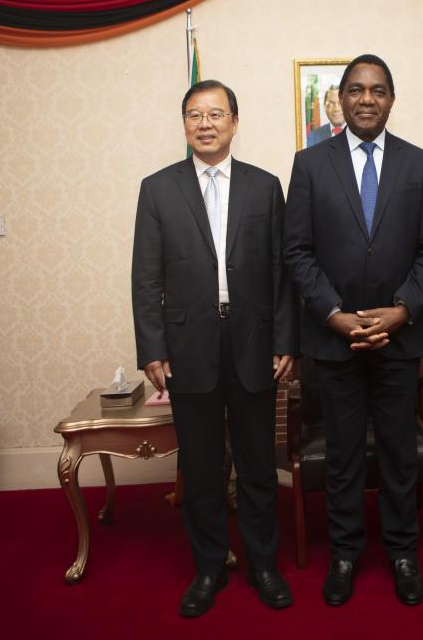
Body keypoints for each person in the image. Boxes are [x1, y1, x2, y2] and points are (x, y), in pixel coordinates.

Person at [131, 79, 298, 618]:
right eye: (194, 115)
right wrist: (152, 348)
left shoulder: (264, 187)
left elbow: (281, 273)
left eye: (216, 114)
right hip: (188, 348)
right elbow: (145, 277)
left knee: (257, 465)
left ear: (234, 122)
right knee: (201, 469)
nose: (205, 124)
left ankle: (263, 565)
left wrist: (284, 339)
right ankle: (208, 568)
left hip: (253, 343)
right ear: (184, 124)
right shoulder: (158, 189)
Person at [283, 54, 423, 607]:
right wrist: (333, 313)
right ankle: (345, 553)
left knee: (399, 452)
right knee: (343, 454)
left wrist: (403, 309)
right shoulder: (310, 164)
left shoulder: (420, 164)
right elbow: (297, 251)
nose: (367, 99)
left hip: (400, 339)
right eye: (356, 89)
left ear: (392, 99)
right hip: (335, 340)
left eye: (378, 90)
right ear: (342, 99)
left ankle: (403, 553)